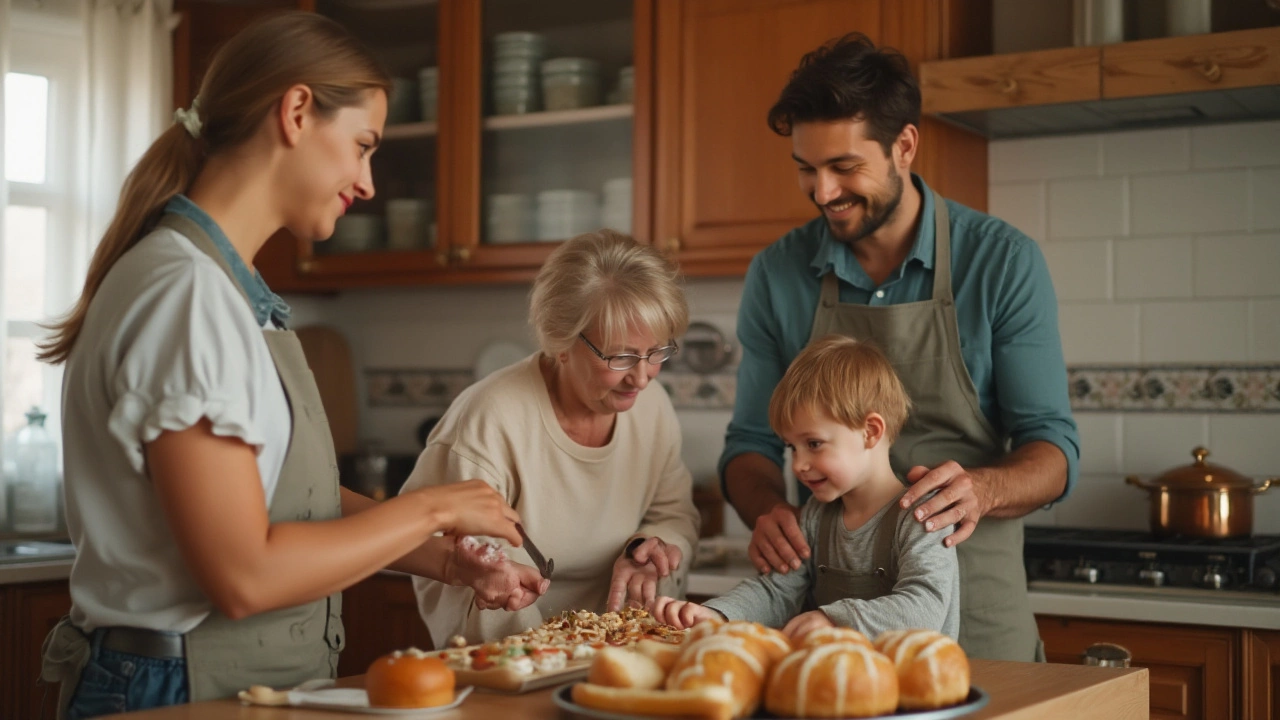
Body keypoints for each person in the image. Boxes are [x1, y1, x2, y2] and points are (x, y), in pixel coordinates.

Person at [36, 13, 543, 717]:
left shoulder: (226, 292)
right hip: (173, 688)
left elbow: (293, 499)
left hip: (220, 681)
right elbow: (244, 574)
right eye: (362, 146)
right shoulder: (186, 295)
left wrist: (445, 556)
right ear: (297, 111)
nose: (367, 182)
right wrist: (435, 504)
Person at [719, 33, 1080, 662]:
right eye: (806, 168)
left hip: (978, 621)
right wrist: (770, 511)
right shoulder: (777, 274)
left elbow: (1053, 447)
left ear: (904, 146)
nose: (823, 191)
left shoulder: (1000, 262)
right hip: (833, 627)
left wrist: (985, 490)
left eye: (845, 167)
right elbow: (748, 446)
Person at [402, 229, 701, 645]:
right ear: (561, 342)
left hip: (617, 649)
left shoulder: (653, 409)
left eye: (657, 352)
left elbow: (675, 513)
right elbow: (465, 562)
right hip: (509, 656)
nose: (643, 376)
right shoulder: (491, 419)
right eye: (621, 356)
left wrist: (651, 547)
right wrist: (551, 656)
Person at [651, 336, 959, 642]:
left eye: (814, 444)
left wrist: (833, 619)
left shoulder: (924, 516)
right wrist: (718, 616)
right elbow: (775, 591)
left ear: (870, 432)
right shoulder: (815, 515)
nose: (798, 464)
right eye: (792, 448)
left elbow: (925, 608)